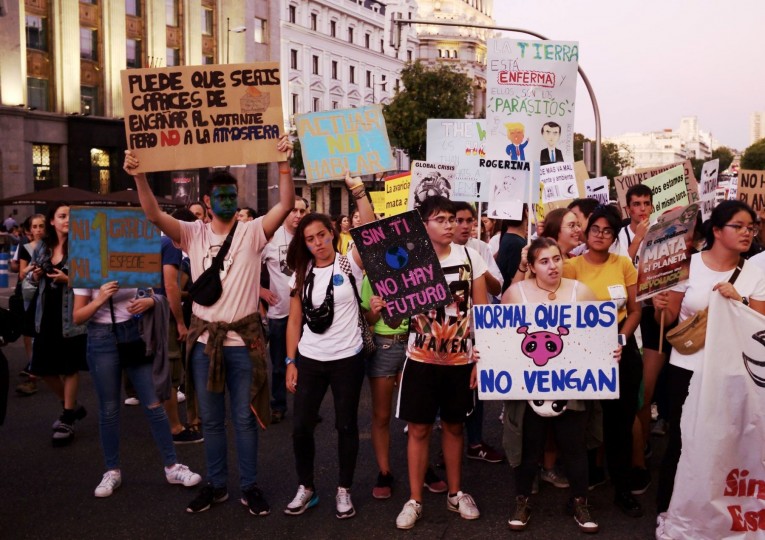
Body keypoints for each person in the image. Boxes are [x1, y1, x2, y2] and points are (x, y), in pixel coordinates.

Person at [123, 135, 295, 517]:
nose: (228, 201)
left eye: (232, 195)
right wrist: (139, 176)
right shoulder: (192, 234)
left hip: (244, 345)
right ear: (206, 201)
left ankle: (249, 487)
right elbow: (153, 216)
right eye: (220, 195)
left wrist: (284, 162)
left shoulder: (253, 233)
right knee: (212, 422)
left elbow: (284, 204)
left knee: (243, 420)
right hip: (204, 346)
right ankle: (217, 487)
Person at [652, 200, 765, 524]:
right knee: (683, 441)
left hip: (731, 375)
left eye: (751, 227)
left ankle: (713, 514)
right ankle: (671, 510)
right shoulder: (687, 265)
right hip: (687, 369)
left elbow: (759, 327)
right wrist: (660, 306)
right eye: (739, 226)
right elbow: (670, 318)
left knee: (724, 443)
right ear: (716, 230)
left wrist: (739, 300)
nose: (747, 233)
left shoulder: (755, 273)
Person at [395, 195, 488, 530]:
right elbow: (395, 319)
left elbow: (482, 312)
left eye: (452, 219)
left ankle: (455, 492)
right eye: (441, 219)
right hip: (420, 359)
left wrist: (481, 358)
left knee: (454, 426)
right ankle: (415, 499)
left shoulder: (470, 257)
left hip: (460, 360)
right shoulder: (409, 260)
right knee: (418, 428)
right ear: (424, 225)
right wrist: (381, 306)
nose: (450, 225)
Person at [283, 173, 373, 519]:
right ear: (303, 243)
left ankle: (344, 489)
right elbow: (294, 321)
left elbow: (370, 228)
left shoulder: (350, 261)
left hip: (347, 359)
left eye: (322, 235)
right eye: (310, 238)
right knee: (301, 426)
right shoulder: (301, 272)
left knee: (346, 425)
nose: (317, 243)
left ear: (333, 234)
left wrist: (357, 190)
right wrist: (290, 361)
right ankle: (307, 487)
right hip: (310, 359)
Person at [503, 237, 602, 533]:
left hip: (570, 388)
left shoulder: (581, 292)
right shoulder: (515, 294)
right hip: (528, 388)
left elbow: (599, 335)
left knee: (574, 448)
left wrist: (612, 349)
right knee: (527, 446)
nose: (553, 266)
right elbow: (502, 338)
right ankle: (521, 501)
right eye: (544, 261)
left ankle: (580, 502)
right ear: (531, 267)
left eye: (557, 258)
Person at [72, 281, 202, 497]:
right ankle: (112, 471)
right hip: (101, 338)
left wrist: (150, 301)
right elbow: (77, 316)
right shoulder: (89, 263)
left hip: (133, 334)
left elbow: (151, 293)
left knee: (154, 403)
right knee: (109, 409)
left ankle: (172, 466)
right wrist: (100, 298)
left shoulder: (132, 252)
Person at [562, 203, 644, 517]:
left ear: (613, 236)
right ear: (587, 231)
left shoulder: (624, 264)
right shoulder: (570, 266)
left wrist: (621, 339)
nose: (600, 235)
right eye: (595, 229)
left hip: (620, 353)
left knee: (620, 424)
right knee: (580, 424)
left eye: (607, 230)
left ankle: (622, 489)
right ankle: (579, 492)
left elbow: (635, 310)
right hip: (581, 355)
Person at [26, 204, 88, 446]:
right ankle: (71, 407)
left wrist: (68, 278)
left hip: (71, 313)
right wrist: (35, 275)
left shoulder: (82, 245)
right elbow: (29, 277)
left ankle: (67, 417)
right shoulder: (43, 246)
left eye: (71, 216)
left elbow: (91, 277)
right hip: (46, 313)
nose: (67, 220)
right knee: (41, 368)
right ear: (52, 221)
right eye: (62, 216)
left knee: (70, 366)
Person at [453, 202, 504, 463]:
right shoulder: (439, 250)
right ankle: (448, 446)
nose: (464, 226)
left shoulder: (480, 249)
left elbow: (497, 288)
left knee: (475, 389)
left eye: (468, 221)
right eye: (458, 220)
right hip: (449, 335)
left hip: (477, 330)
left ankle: (475, 442)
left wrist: (480, 272)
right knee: (450, 395)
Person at [260, 195, 309, 424]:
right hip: (279, 312)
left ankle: (306, 407)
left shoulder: (308, 236)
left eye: (302, 211)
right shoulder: (271, 237)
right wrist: (260, 290)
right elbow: (248, 266)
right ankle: (278, 405)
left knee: (307, 364)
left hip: (308, 312)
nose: (298, 215)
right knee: (280, 365)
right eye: (294, 210)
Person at [156, 208, 202, 444]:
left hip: (150, 314)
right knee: (172, 373)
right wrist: (181, 322)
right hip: (166, 316)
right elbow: (171, 287)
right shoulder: (171, 246)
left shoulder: (152, 243)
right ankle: (174, 427)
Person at [15, 214, 46, 396]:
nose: (38, 230)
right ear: (29, 230)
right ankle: (33, 366)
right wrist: (31, 268)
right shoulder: (25, 247)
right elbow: (20, 274)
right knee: (30, 332)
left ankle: (37, 368)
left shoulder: (54, 246)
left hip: (48, 291)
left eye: (41, 226)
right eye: (34, 226)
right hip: (30, 293)